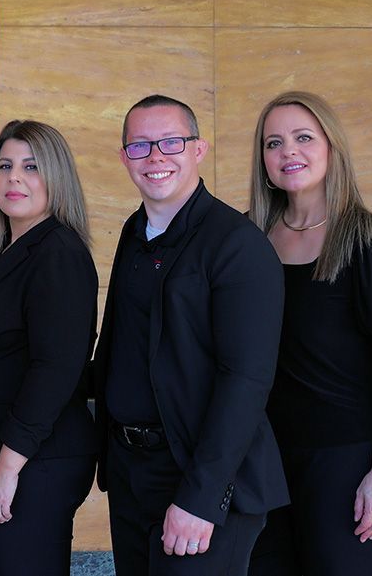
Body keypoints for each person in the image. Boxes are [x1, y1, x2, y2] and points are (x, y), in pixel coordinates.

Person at [94, 95, 288, 576]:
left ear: (199, 149)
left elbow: (246, 381)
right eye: (140, 146)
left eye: (170, 142)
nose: (155, 157)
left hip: (201, 480)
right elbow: (119, 349)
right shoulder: (133, 232)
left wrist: (201, 498)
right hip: (131, 474)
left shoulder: (237, 243)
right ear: (124, 157)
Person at [0, 120, 99, 576]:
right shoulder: (2, 253)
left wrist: (8, 467)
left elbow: (55, 368)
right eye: (5, 166)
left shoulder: (59, 252)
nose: (14, 177)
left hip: (31, 462)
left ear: (56, 176)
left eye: (31, 167)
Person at [244, 92, 372, 576]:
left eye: (303, 137)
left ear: (331, 146)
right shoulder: (245, 240)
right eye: (273, 142)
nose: (288, 152)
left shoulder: (363, 240)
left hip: (343, 461)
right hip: (260, 457)